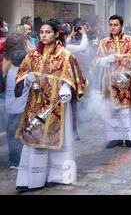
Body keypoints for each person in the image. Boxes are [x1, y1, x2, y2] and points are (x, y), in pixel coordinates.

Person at [15, 21, 87, 193]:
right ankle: (31, 179)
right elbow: (21, 74)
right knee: (34, 139)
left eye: (48, 32)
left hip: (58, 105)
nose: (44, 35)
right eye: (41, 32)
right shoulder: (32, 55)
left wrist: (66, 87)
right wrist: (27, 79)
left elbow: (76, 76)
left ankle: (58, 176)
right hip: (36, 104)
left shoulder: (65, 55)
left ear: (56, 34)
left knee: (58, 141)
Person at [95, 15, 131, 149]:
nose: (113, 27)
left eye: (116, 25)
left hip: (127, 81)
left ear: (121, 26)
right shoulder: (103, 42)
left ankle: (129, 137)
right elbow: (97, 61)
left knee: (127, 111)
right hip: (110, 82)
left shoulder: (130, 40)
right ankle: (114, 137)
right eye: (111, 25)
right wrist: (106, 59)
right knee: (111, 110)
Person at [5, 50, 28, 169]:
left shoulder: (10, 71)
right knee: (19, 136)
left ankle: (13, 161)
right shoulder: (24, 74)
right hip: (20, 109)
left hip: (9, 108)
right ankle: (19, 161)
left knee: (11, 135)